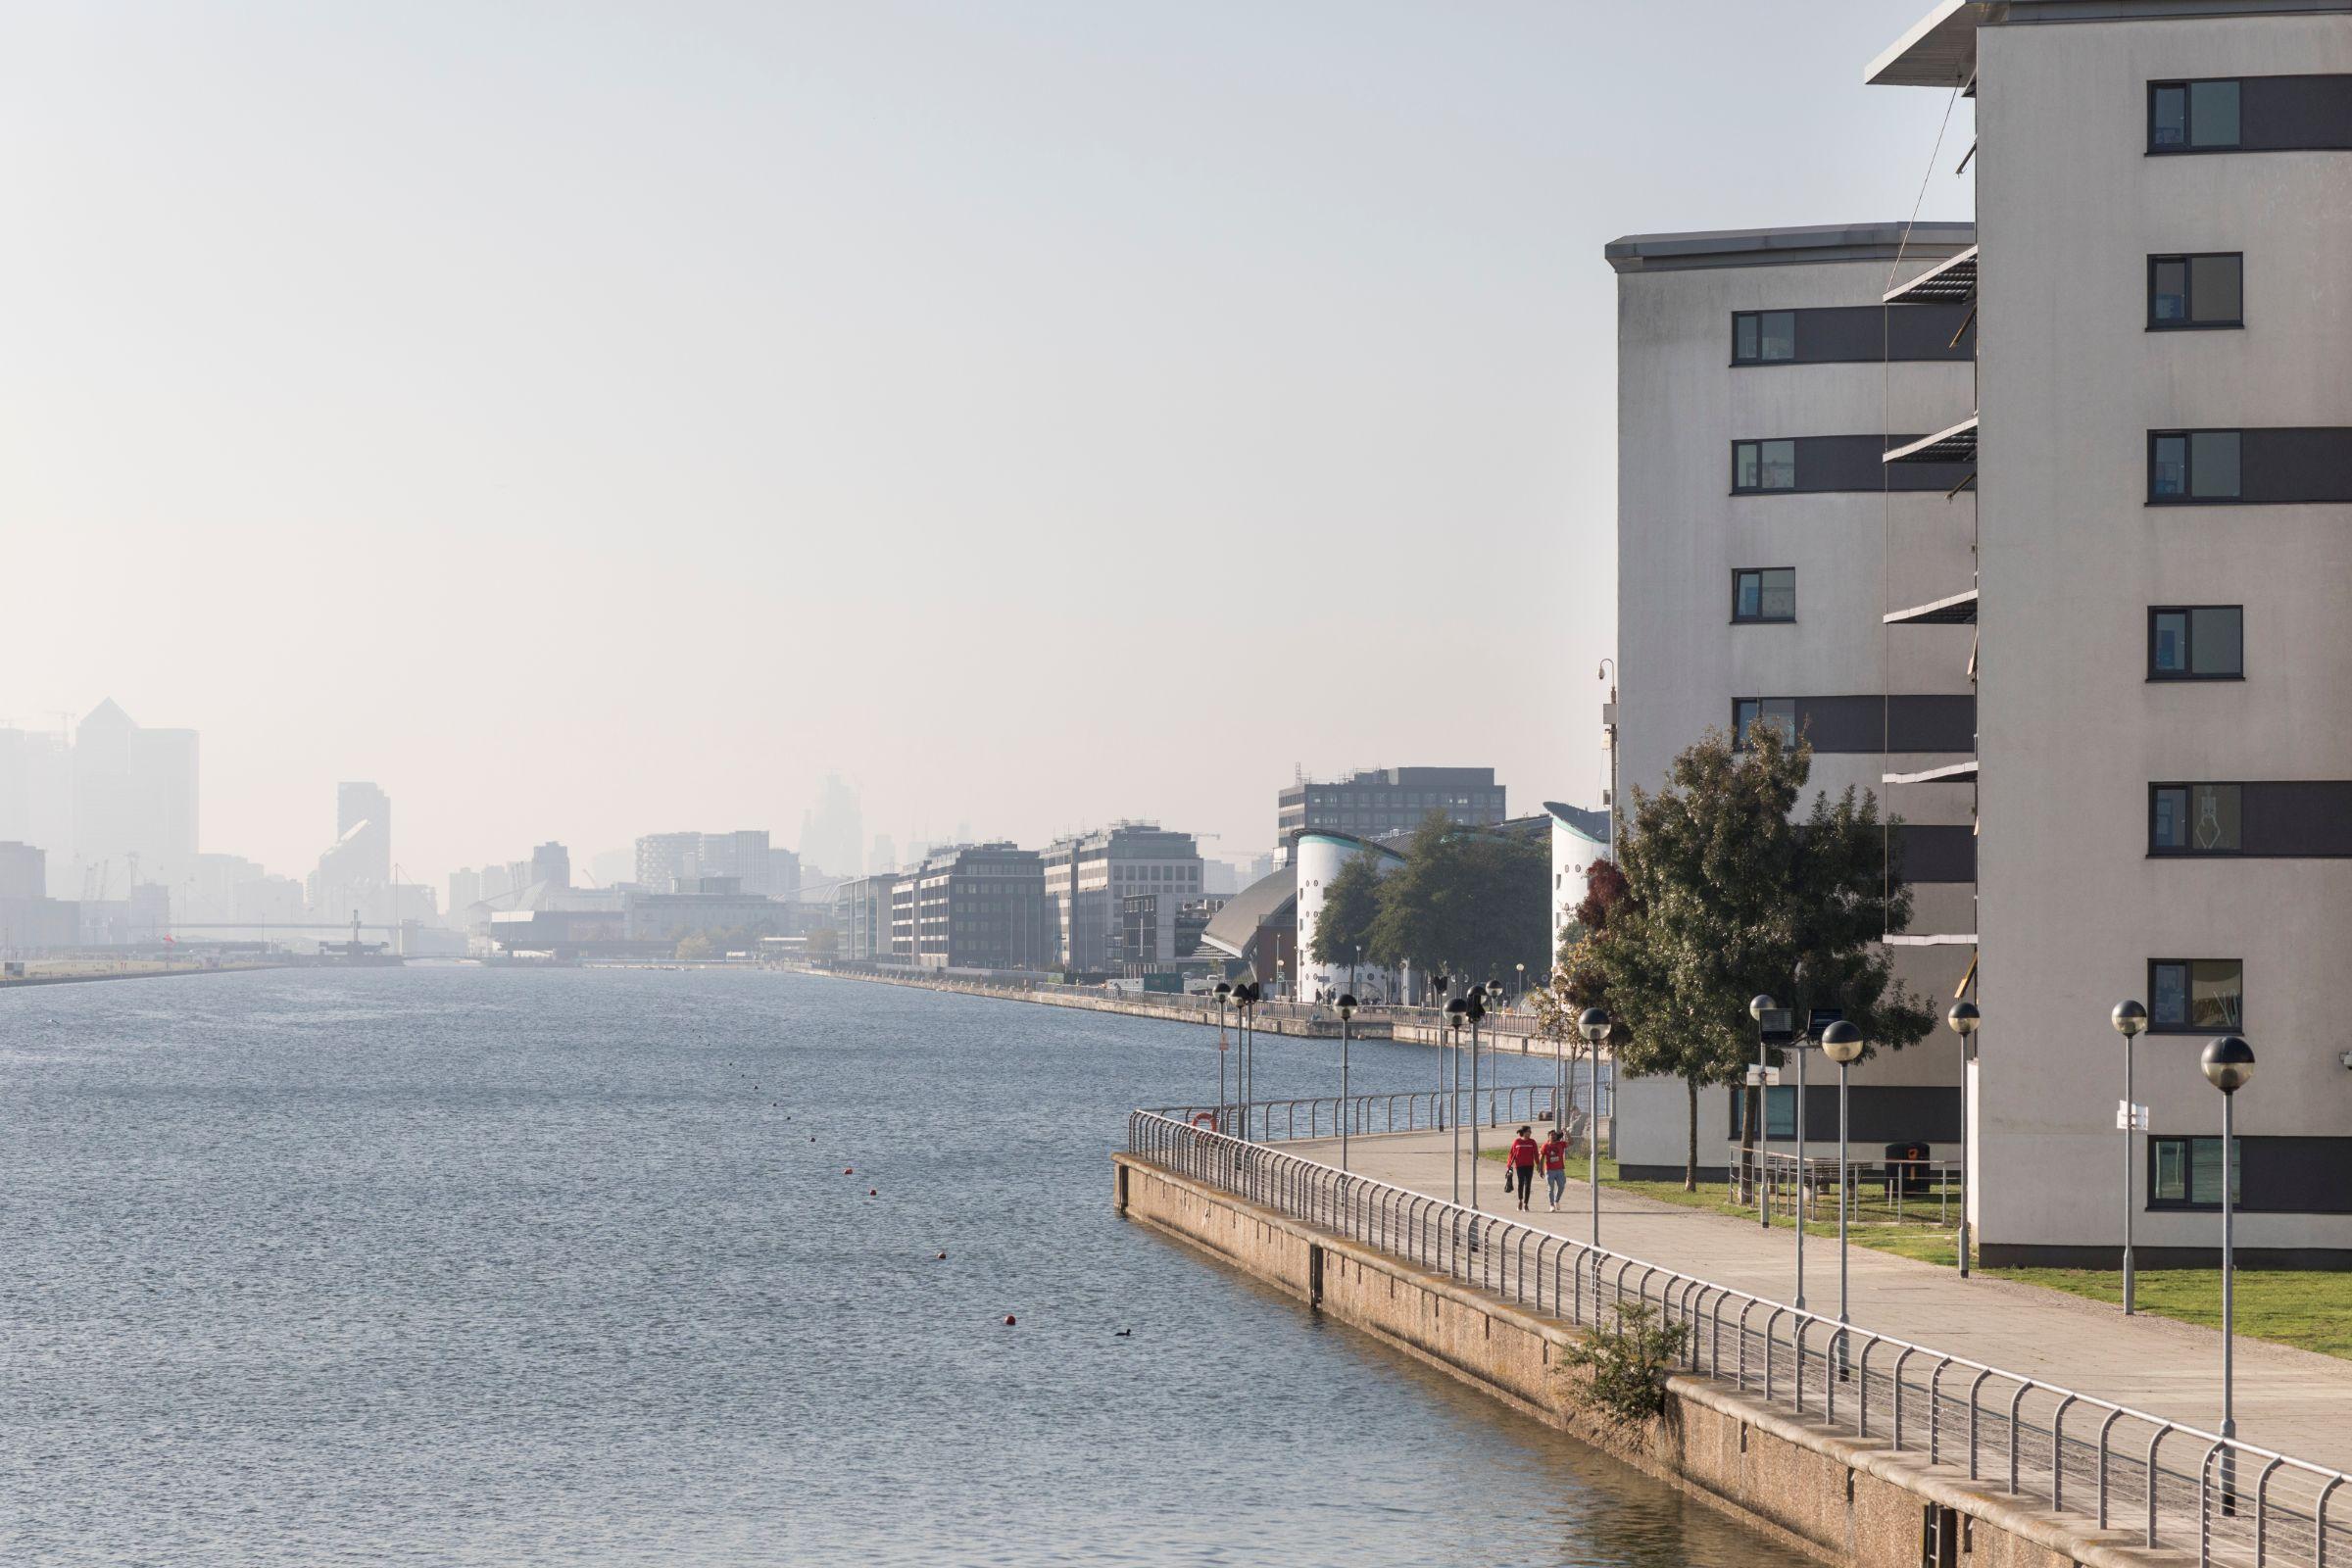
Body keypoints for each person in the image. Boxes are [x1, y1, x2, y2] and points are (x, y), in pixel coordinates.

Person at [1505, 1125, 1540, 1211]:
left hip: (1529, 1166)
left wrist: (1538, 1165)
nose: (1530, 1133)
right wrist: (1509, 1165)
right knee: (1521, 1183)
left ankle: (1526, 1204)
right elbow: (1511, 1154)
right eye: (1529, 1131)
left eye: (1530, 1131)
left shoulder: (1532, 1142)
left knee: (1528, 1185)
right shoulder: (1517, 1141)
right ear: (1524, 1132)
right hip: (1519, 1166)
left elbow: (1536, 1154)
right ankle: (1520, 1200)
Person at [1541, 1127, 1569, 1211]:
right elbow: (1542, 1158)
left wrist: (1567, 1132)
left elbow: (1571, 1142)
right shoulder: (1545, 1146)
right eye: (1551, 1135)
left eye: (1554, 1135)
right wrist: (1541, 1169)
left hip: (1560, 1170)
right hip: (1550, 1170)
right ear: (1548, 1137)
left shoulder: (1561, 1144)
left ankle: (1557, 1200)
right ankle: (1552, 1205)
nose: (1553, 1136)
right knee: (1551, 1188)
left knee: (1562, 1186)